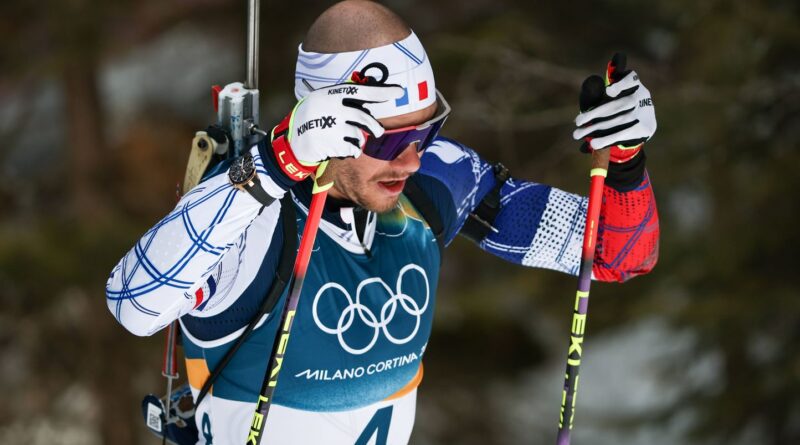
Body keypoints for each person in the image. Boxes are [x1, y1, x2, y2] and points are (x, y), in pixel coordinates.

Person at [106, 1, 660, 443]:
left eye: (426, 131)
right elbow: (133, 305)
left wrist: (626, 163)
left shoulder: (431, 179)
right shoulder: (250, 204)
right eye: (392, 138)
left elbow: (617, 255)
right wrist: (276, 166)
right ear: (327, 115)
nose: (412, 157)